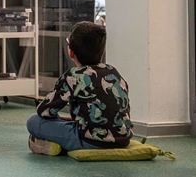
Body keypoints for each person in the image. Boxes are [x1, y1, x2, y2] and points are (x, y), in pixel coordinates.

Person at [27, 22, 133, 155]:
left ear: (71, 52)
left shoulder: (73, 76)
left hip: (89, 140)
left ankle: (53, 146)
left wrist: (59, 119)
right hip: (123, 140)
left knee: (33, 121)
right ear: (103, 49)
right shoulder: (113, 72)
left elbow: (44, 111)